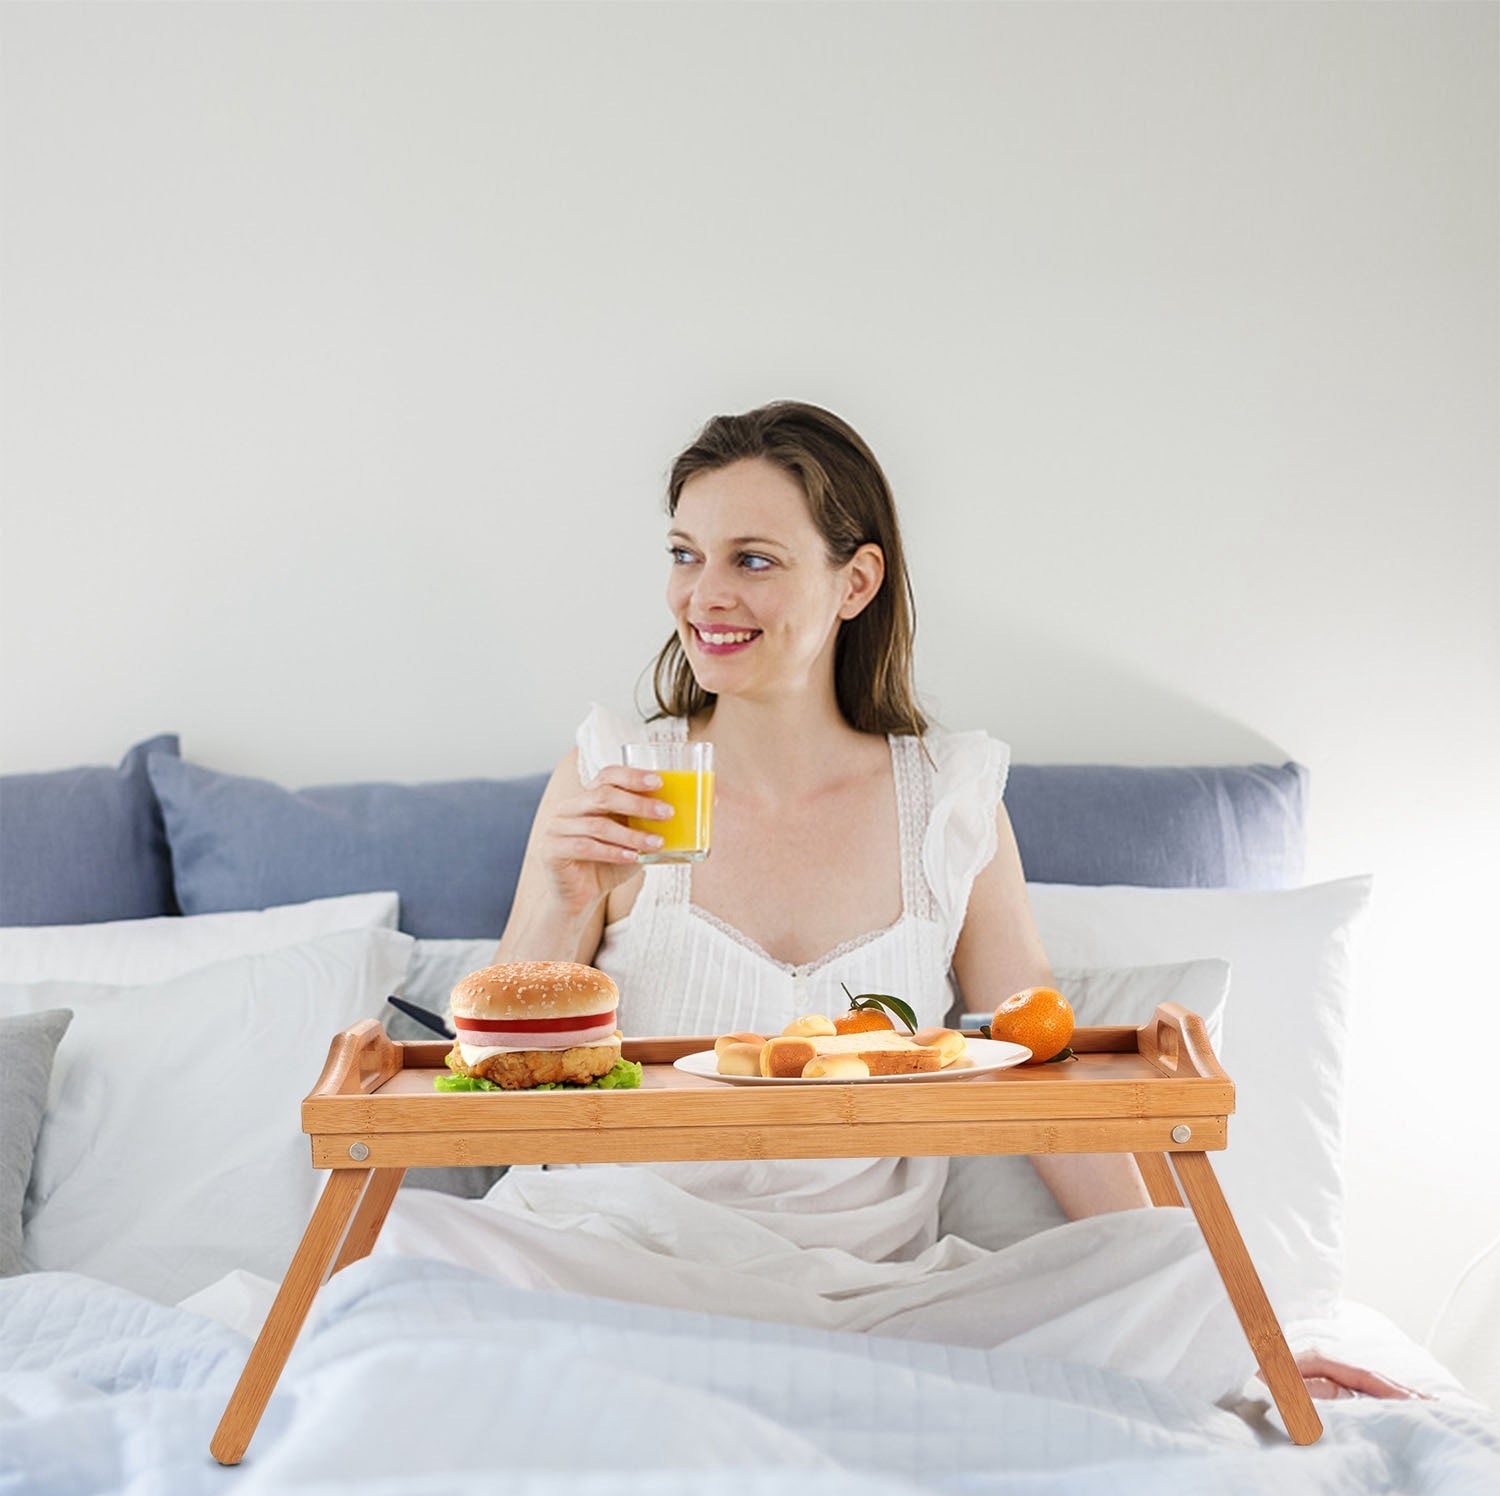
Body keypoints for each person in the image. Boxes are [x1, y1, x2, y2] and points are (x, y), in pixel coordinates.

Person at [378, 400, 1420, 1403]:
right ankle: (765, 1398)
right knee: (403, 1255)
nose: (703, 596)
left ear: (855, 581)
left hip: (873, 1297)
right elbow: (496, 1116)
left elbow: (1046, 1078)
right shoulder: (614, 775)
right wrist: (564, 901)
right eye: (685, 554)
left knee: (1189, 1270)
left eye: (752, 559)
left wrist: (1240, 1327)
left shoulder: (950, 805)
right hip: (612, 1265)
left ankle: (762, 1395)